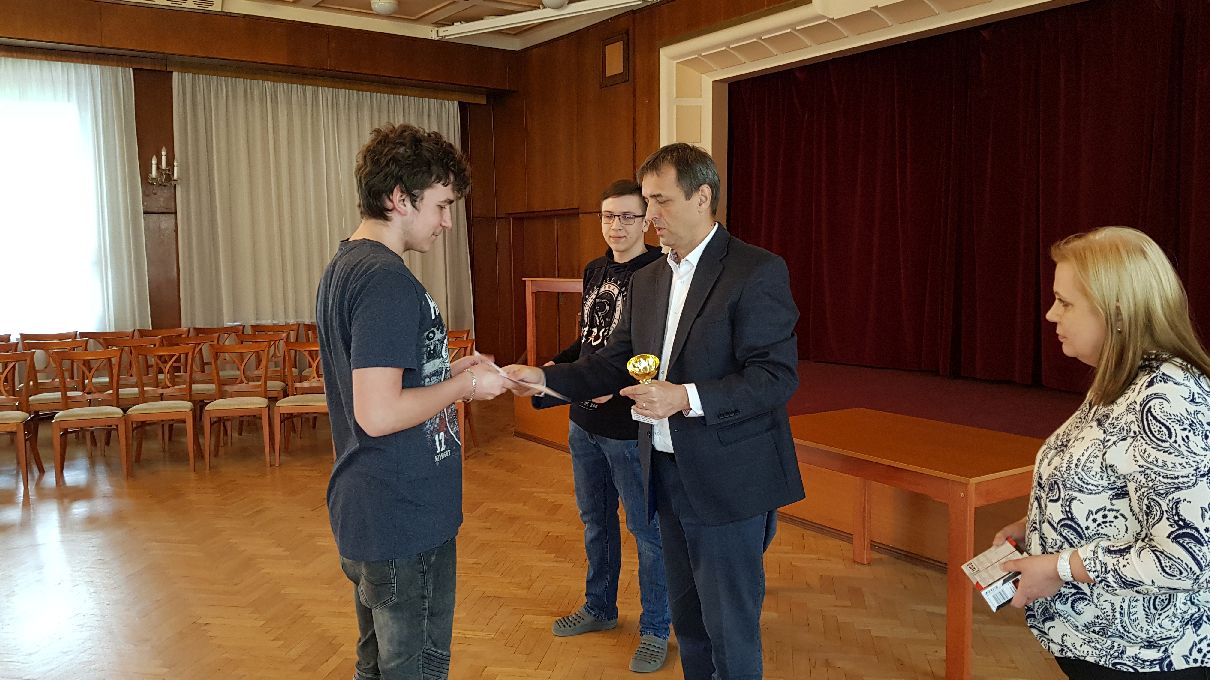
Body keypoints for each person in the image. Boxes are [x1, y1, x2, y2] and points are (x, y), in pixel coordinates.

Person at [506, 143, 804, 679]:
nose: (649, 216)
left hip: (729, 479)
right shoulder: (649, 279)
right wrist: (544, 379)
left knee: (730, 627)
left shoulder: (755, 270)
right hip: (664, 471)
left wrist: (684, 397)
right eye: (646, 202)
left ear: (702, 197)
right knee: (688, 622)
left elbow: (774, 377)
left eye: (660, 201)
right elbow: (611, 363)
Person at [316, 123, 508, 680]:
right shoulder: (385, 281)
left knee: (376, 666)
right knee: (414, 669)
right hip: (401, 515)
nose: (447, 222)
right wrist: (465, 388)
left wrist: (448, 371)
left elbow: (386, 382)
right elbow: (378, 414)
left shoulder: (348, 266)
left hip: (374, 508)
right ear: (400, 198)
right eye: (442, 205)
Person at [994, 227, 1210, 678]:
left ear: (1117, 311)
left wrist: (1059, 566)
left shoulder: (1167, 400)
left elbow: (1186, 558)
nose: (1051, 314)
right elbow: (1109, 491)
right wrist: (1033, 527)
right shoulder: (1120, 379)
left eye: (1065, 302)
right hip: (1098, 646)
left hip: (1148, 659)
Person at [538, 179, 671, 672]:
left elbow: (658, 350)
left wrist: (614, 387)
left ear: (646, 221)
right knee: (595, 521)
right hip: (583, 423)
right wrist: (553, 370)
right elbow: (589, 341)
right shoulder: (595, 269)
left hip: (628, 427)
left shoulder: (658, 272)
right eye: (608, 216)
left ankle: (656, 628)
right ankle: (600, 607)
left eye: (627, 216)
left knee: (646, 531)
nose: (616, 225)